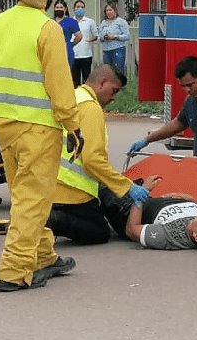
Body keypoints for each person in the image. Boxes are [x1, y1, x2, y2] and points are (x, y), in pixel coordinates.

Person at [0, 0, 82, 292]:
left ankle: (44, 256)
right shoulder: (48, 29)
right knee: (32, 199)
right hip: (39, 127)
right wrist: (73, 125)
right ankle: (13, 272)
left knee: (26, 195)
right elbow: (60, 86)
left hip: (4, 123)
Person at [46, 64, 154, 244]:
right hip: (71, 190)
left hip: (51, 183)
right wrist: (127, 187)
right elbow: (92, 160)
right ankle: (54, 219)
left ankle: (47, 215)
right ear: (102, 83)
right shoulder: (90, 108)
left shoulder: (74, 97)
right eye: (114, 90)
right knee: (99, 231)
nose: (113, 98)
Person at [122, 193, 197, 252]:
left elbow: (131, 230)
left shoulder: (171, 235)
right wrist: (189, 198)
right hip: (153, 197)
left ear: (196, 236)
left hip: (128, 204)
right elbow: (196, 205)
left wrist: (139, 195)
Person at [52, 0, 82, 75]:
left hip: (66, 50)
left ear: (65, 9)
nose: (59, 9)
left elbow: (79, 36)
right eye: (57, 7)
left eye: (61, 7)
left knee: (66, 74)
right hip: (53, 51)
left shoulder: (71, 21)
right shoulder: (50, 22)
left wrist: (71, 44)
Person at [70, 0, 96, 85]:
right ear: (74, 9)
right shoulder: (70, 21)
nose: (80, 9)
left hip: (86, 55)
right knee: (74, 80)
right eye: (78, 7)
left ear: (84, 9)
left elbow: (96, 35)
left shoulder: (90, 21)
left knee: (86, 80)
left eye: (82, 7)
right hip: (73, 54)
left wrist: (90, 39)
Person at [98, 2, 129, 72]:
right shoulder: (103, 22)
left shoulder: (121, 22)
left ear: (115, 11)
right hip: (106, 50)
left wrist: (115, 36)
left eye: (110, 10)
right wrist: (104, 37)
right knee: (108, 72)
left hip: (118, 49)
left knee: (118, 71)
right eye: (106, 10)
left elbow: (127, 36)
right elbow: (100, 36)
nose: (108, 12)